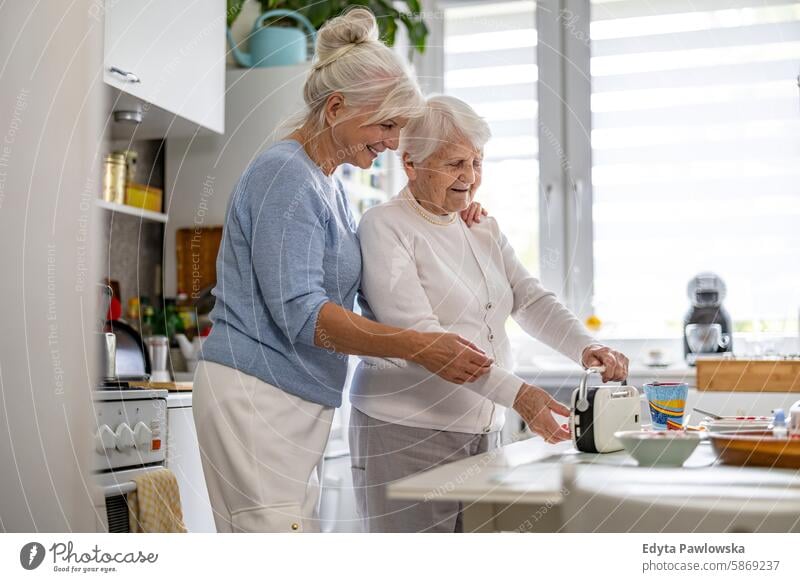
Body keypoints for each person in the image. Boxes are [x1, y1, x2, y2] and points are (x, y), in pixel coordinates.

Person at [192, 8, 493, 533]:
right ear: (335, 109)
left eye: (400, 127)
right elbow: (302, 315)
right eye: (387, 124)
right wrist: (420, 346)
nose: (394, 141)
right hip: (257, 395)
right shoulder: (285, 175)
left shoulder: (327, 183)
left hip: (290, 397)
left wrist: (451, 206)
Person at [349, 95, 629, 532]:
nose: (470, 178)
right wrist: (522, 396)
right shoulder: (386, 226)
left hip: (483, 435)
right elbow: (427, 340)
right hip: (404, 433)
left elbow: (529, 300)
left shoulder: (480, 226)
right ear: (410, 163)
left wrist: (585, 346)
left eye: (477, 162)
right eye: (455, 164)